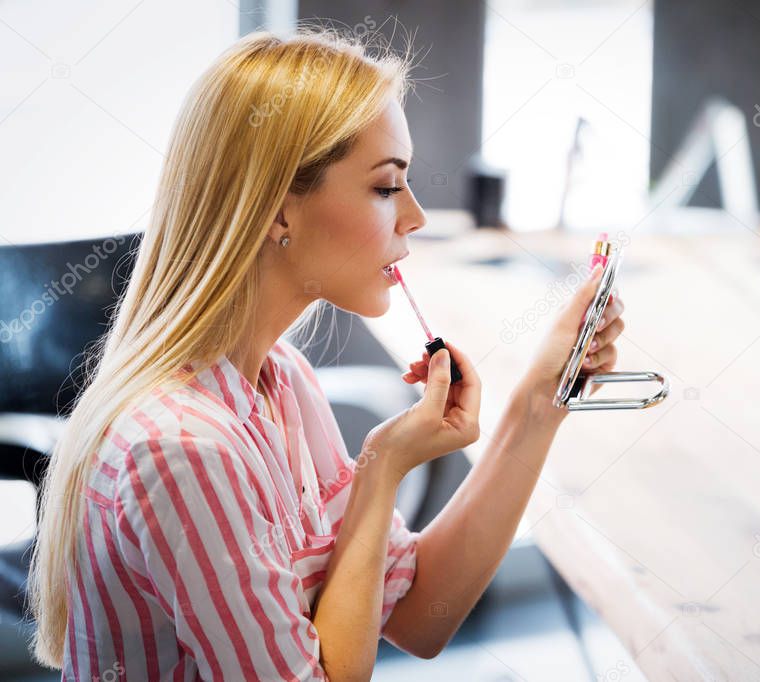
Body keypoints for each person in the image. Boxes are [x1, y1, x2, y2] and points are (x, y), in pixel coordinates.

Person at [28, 27, 625, 680]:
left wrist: (539, 401)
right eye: (384, 187)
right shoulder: (184, 448)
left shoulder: (280, 383)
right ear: (279, 212)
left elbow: (419, 614)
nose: (416, 216)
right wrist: (381, 467)